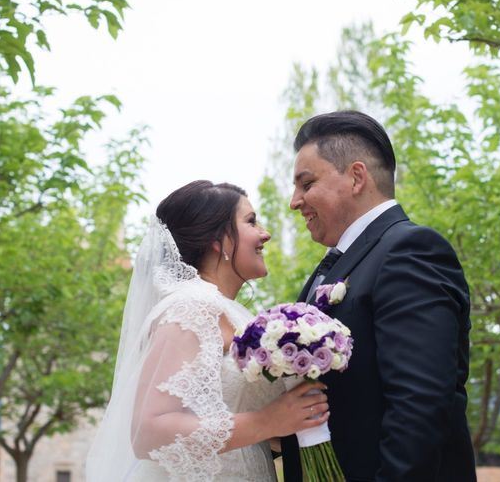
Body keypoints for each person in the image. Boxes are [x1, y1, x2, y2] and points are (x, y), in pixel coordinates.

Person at [86, 180, 329, 481]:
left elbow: (219, 412)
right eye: (251, 221)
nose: (265, 233)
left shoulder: (228, 312)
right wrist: (267, 422)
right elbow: (147, 432)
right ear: (219, 240)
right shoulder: (191, 307)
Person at [282, 111, 477, 481]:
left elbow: (418, 406)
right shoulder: (339, 262)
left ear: (357, 177)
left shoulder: (411, 250)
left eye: (306, 184)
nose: (295, 201)